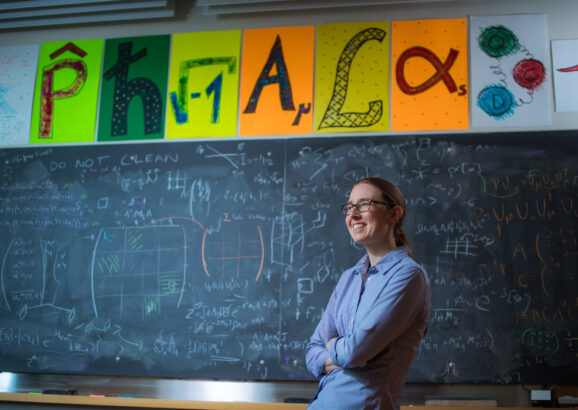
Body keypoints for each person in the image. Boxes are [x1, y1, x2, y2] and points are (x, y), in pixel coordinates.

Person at [306, 177, 431, 410]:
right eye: (349, 206)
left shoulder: (409, 276)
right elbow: (312, 352)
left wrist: (333, 346)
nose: (352, 214)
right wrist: (343, 351)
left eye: (364, 205)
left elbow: (355, 351)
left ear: (393, 214)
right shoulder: (348, 279)